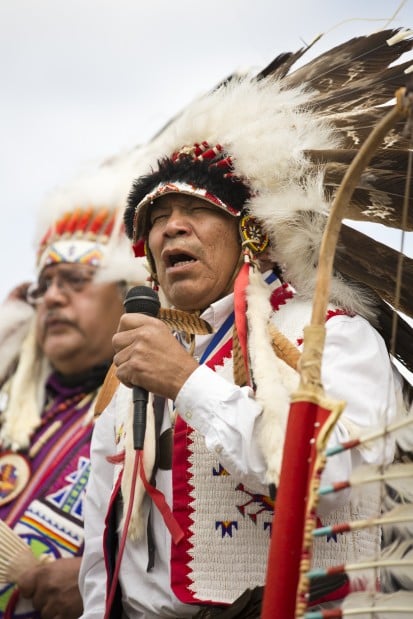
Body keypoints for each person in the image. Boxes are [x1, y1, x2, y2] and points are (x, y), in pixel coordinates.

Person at [79, 29, 410, 619]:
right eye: (156, 217)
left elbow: (336, 479)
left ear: (250, 233)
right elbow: (104, 559)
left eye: (197, 210)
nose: (170, 228)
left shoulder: (327, 335)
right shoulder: (134, 366)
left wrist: (188, 384)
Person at [0, 151, 148, 619]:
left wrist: (105, 582)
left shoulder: (153, 413)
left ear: (128, 296)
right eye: (45, 284)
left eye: (76, 280)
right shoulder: (16, 413)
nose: (54, 297)